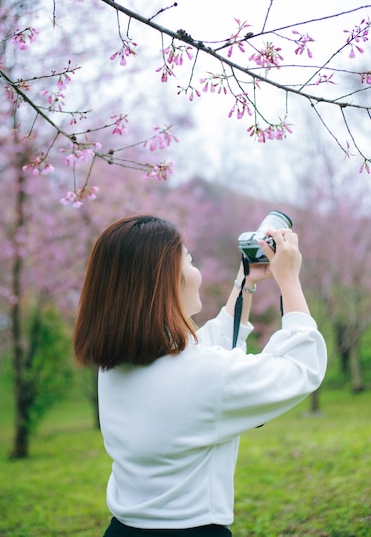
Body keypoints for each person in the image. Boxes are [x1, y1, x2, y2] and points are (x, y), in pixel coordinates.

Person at [73, 214, 327, 537]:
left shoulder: (115, 365)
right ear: (166, 281)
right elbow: (302, 366)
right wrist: (289, 281)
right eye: (189, 261)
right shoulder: (202, 375)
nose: (198, 274)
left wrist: (245, 283)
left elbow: (202, 356)